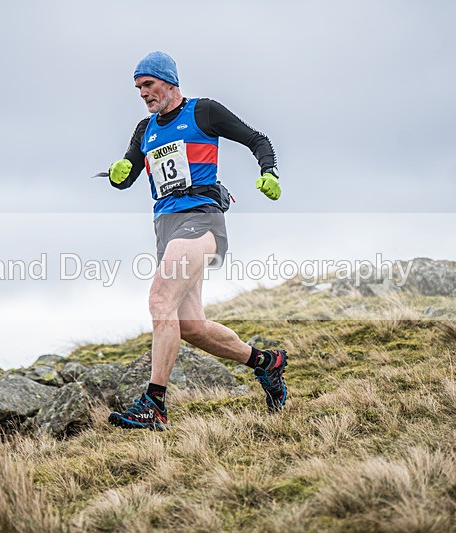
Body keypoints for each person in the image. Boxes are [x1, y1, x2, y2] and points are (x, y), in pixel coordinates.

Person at [106, 51, 287, 431]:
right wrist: (118, 174)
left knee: (159, 299)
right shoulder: (145, 129)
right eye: (138, 88)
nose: (143, 93)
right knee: (190, 325)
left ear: (169, 81)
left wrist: (268, 171)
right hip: (166, 227)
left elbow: (258, 139)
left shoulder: (202, 111)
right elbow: (128, 175)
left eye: (148, 85)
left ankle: (154, 404)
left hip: (201, 219)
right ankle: (266, 364)